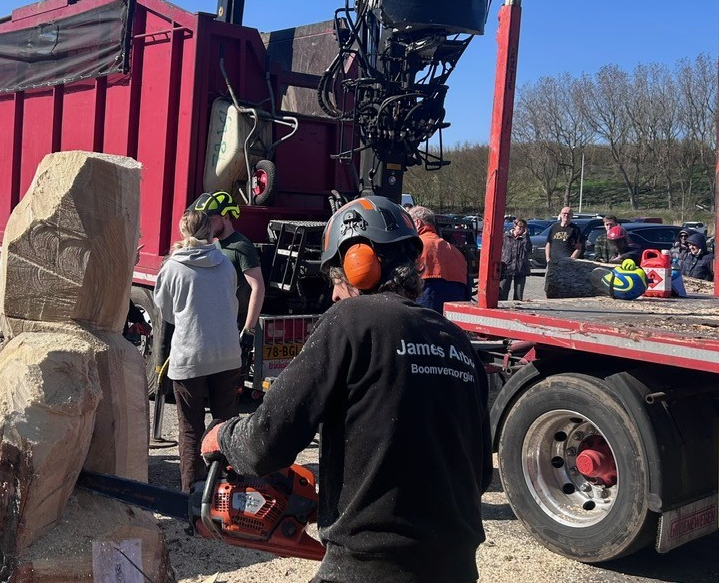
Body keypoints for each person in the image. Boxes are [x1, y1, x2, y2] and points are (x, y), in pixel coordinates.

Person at [202, 195, 491, 582]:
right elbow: (480, 475)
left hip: (368, 566)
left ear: (360, 263)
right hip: (457, 569)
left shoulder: (352, 319)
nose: (335, 294)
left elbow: (264, 443)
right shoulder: (457, 342)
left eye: (336, 278)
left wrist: (224, 435)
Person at [152, 208, 242, 492]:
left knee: (190, 428)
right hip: (228, 354)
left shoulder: (173, 268)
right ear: (209, 230)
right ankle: (226, 488)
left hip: (190, 357)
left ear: (183, 232)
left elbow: (165, 311)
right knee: (225, 425)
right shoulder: (225, 264)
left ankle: (192, 492)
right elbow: (233, 301)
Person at [192, 191, 264, 371]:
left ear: (225, 217)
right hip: (216, 325)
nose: (207, 225)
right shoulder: (213, 244)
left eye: (211, 220)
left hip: (234, 326)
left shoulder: (241, 246)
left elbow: (258, 287)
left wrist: (249, 330)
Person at [408, 205, 471, 313]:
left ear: (417, 223)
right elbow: (467, 292)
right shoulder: (456, 252)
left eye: (408, 223)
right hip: (453, 314)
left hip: (425, 307)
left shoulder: (415, 247)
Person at [499, 218, 533, 301]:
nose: (521, 229)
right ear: (515, 226)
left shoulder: (525, 239)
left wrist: (526, 237)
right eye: (520, 227)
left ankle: (517, 308)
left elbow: (528, 250)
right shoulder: (506, 236)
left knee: (518, 294)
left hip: (520, 268)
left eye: (524, 227)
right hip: (507, 267)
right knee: (503, 291)